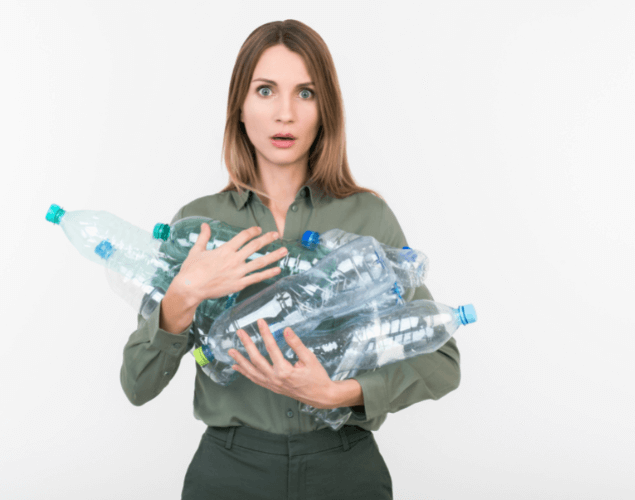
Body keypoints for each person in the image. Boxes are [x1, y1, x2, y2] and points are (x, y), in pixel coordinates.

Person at [120, 20, 461, 500]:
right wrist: (183, 297)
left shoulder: (366, 216)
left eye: (305, 93)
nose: (285, 114)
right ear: (239, 107)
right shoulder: (196, 225)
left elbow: (442, 363)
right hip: (229, 471)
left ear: (326, 111)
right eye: (265, 91)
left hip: (344, 469)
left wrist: (338, 394)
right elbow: (137, 384)